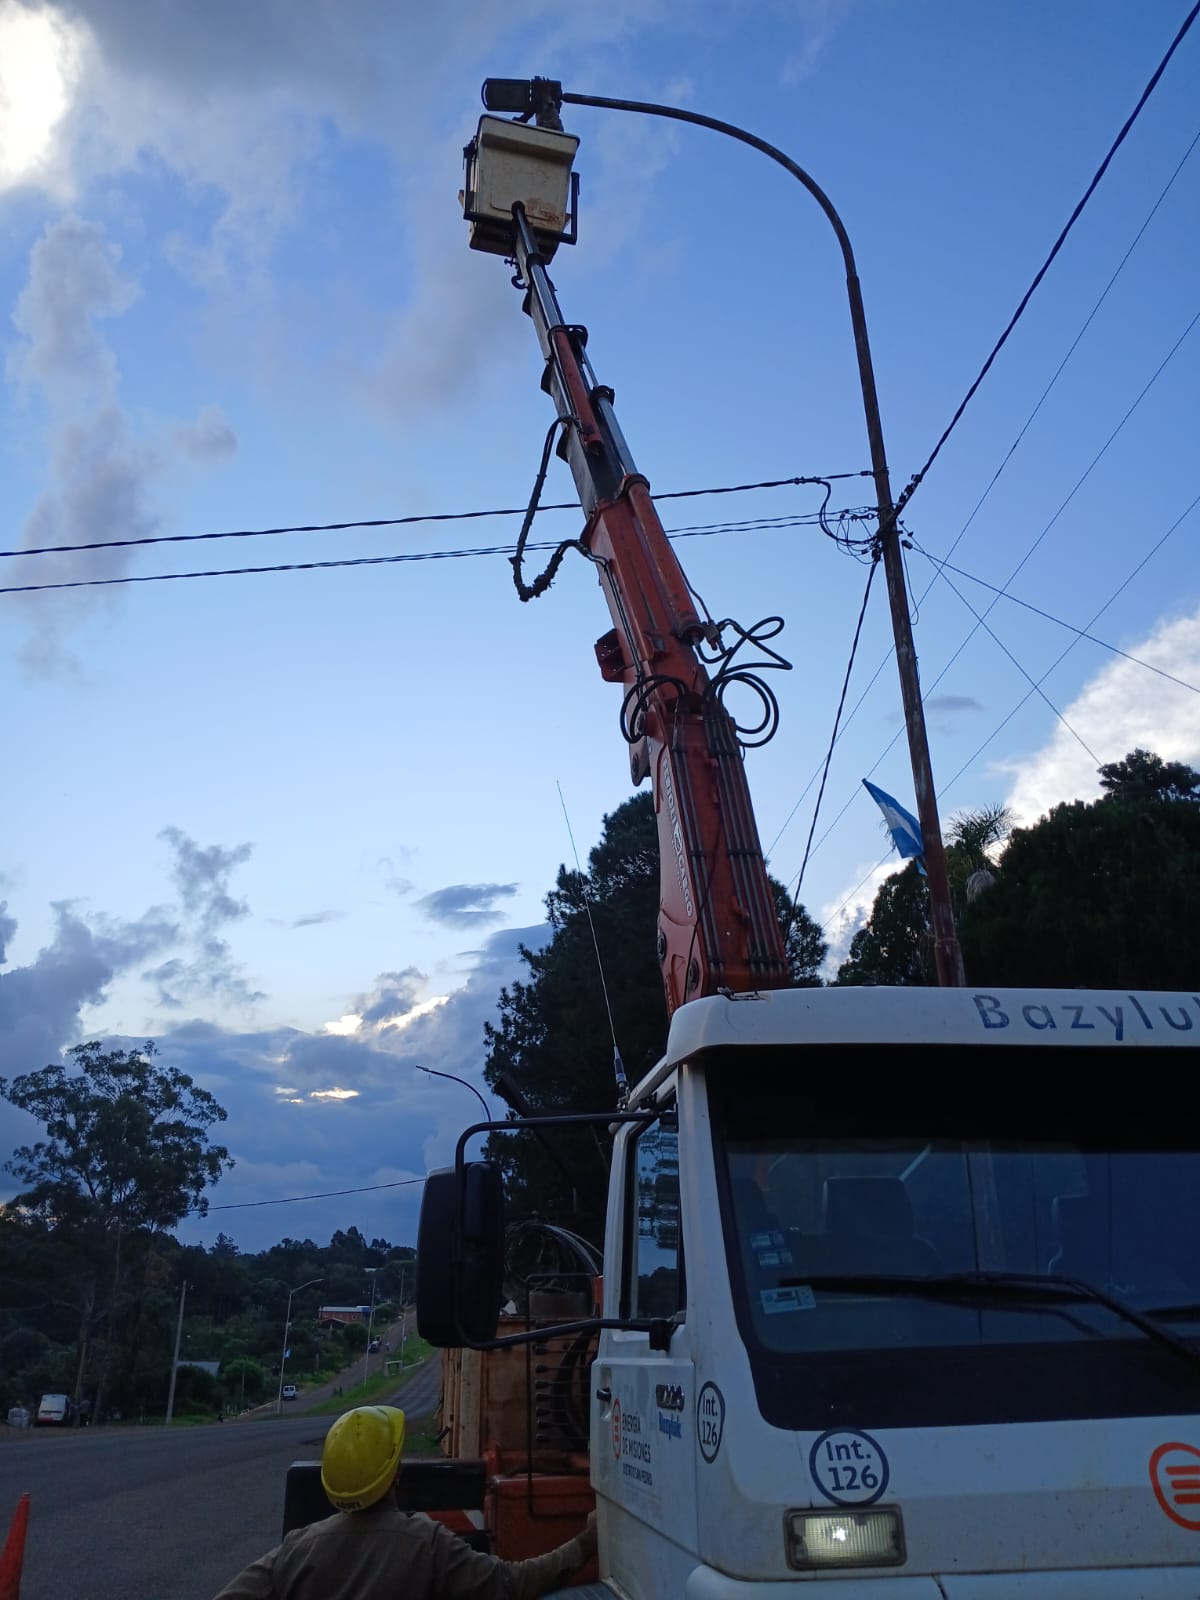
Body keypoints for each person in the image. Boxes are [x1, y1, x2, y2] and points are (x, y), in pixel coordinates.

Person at [211, 1405, 597, 1599]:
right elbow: (512, 1583)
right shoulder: (427, 1544)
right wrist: (585, 1543)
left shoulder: (296, 1551)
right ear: (395, 1474)